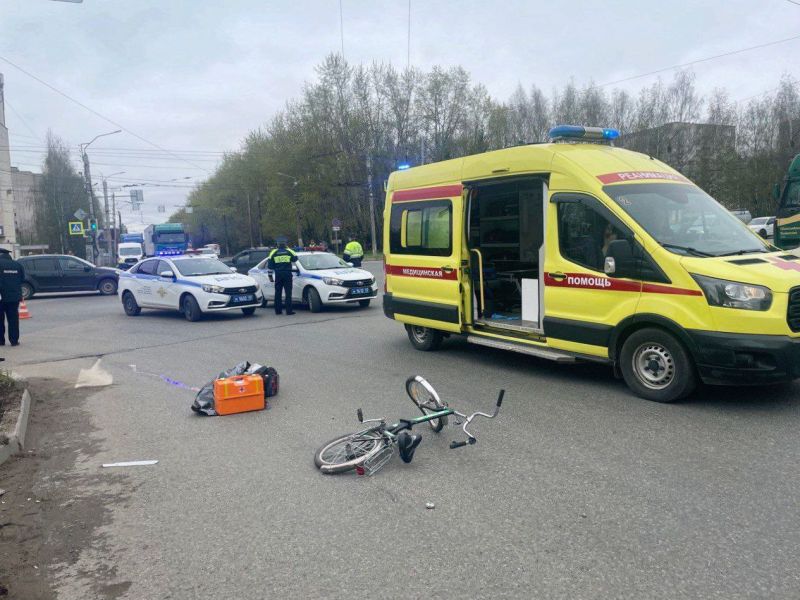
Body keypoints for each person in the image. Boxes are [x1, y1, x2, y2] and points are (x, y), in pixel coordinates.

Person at [267, 237, 298, 315]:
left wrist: (277, 267)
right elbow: (295, 259)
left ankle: (278, 311)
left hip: (278, 274)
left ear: (277, 244)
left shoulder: (273, 252)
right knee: (288, 293)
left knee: (278, 293)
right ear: (285, 244)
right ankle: (289, 311)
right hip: (287, 274)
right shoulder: (289, 251)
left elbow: (270, 266)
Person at [0, 248, 25, 346]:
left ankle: (1, 341)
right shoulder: (17, 265)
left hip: (1, 297)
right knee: (13, 319)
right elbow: (22, 279)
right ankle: (14, 341)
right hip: (14, 297)